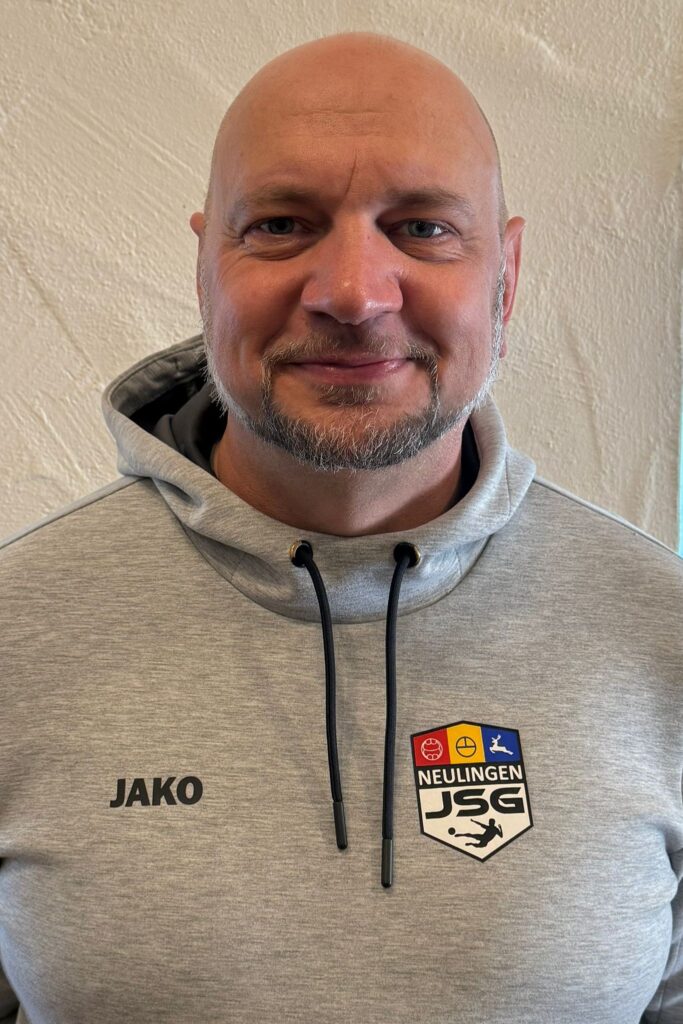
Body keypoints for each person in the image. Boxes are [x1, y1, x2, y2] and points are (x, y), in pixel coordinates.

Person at [0, 30, 681, 1024]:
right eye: (281, 225)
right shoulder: (16, 631)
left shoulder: (661, 633)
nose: (354, 294)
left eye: (422, 228)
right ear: (204, 266)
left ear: (506, 274)